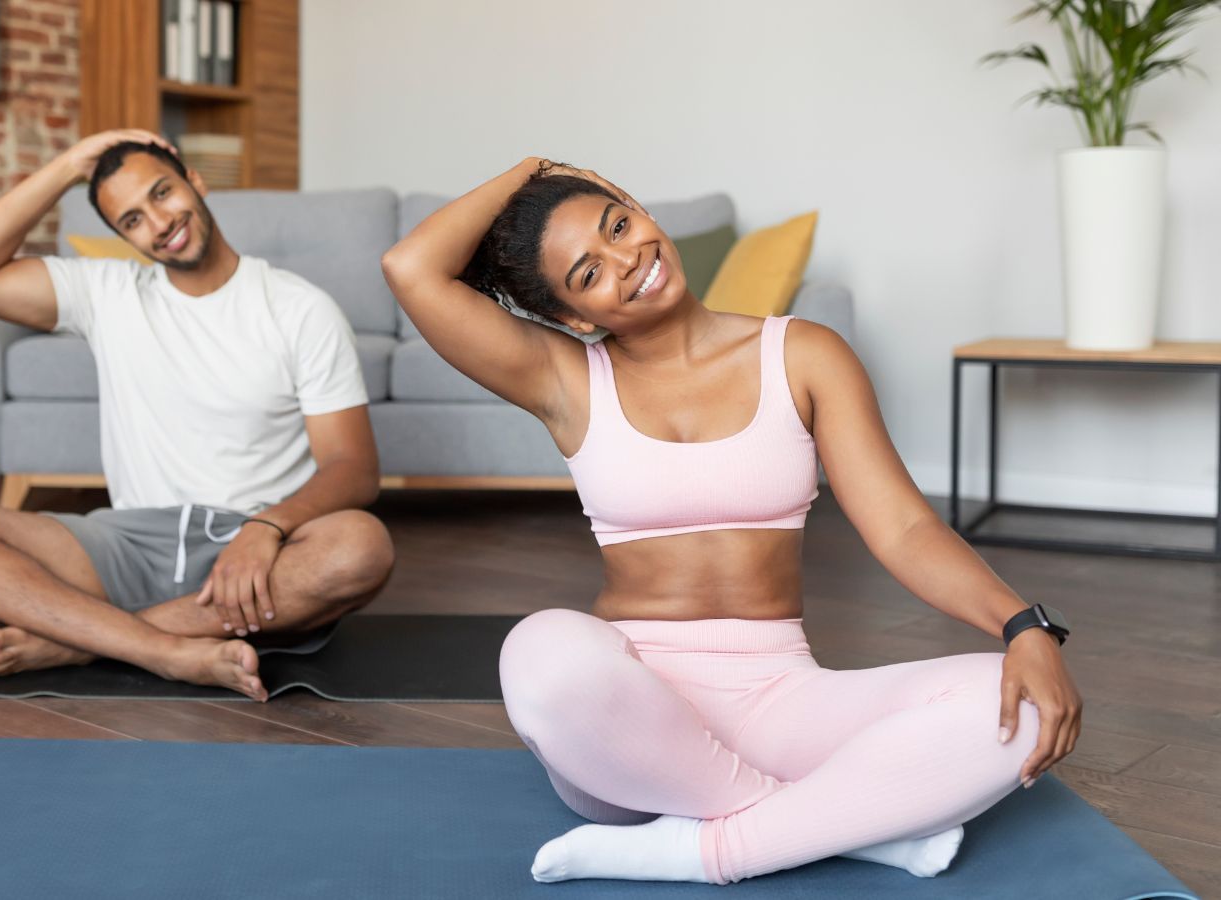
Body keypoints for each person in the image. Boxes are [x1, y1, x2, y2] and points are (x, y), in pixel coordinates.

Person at [380, 157, 1082, 883]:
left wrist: (1023, 625)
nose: (628, 259)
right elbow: (411, 268)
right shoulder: (565, 379)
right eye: (588, 273)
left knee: (1018, 705)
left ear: (641, 210)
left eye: (620, 224)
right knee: (540, 649)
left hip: (781, 700)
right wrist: (533, 166)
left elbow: (904, 528)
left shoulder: (803, 355)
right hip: (624, 728)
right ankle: (841, 826)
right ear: (574, 316)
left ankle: (704, 847)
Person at [0, 130, 394, 701]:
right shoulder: (104, 292)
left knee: (361, 546)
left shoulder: (300, 308)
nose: (158, 222)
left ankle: (82, 641)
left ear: (194, 181)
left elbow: (353, 467)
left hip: (252, 552)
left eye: (162, 193)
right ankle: (164, 649)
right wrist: (68, 167)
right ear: (123, 238)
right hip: (123, 547)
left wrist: (265, 528)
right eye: (131, 220)